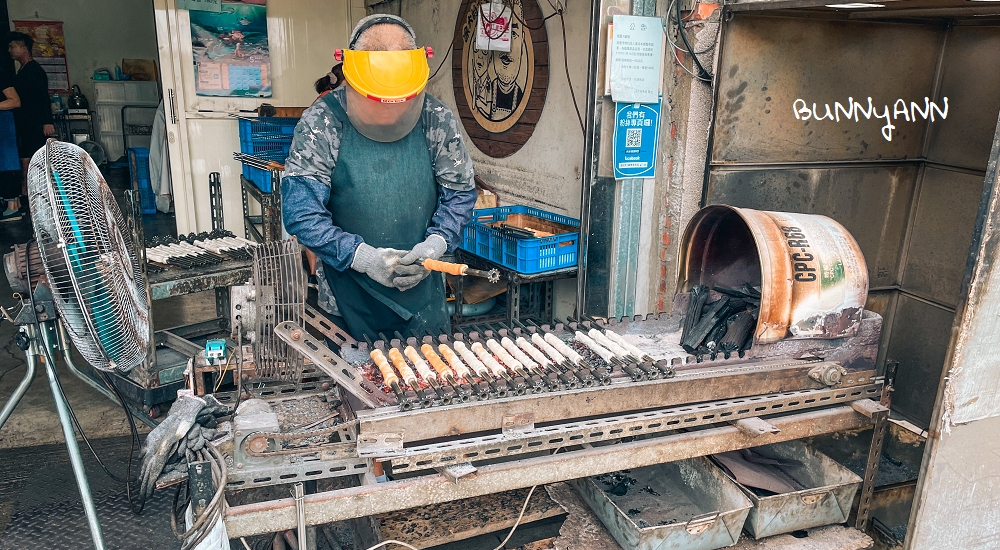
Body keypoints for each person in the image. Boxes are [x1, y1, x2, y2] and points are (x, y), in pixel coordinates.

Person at [282, 15, 477, 340]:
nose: (390, 115)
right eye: (376, 104)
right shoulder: (322, 122)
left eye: (402, 102)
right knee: (351, 385)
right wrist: (362, 257)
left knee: (430, 385)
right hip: (346, 304)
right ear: (351, 76)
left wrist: (437, 243)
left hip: (423, 302)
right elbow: (301, 213)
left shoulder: (437, 120)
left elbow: (460, 193)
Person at [7, 32, 55, 216]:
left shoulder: (34, 71)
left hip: (35, 124)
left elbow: (43, 98)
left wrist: (47, 122)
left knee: (33, 162)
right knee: (25, 161)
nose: (10, 51)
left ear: (24, 48)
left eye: (13, 47)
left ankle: (37, 199)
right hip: (24, 124)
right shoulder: (22, 71)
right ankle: (29, 198)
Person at [0, 65, 22, 221]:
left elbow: (15, 101)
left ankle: (13, 207)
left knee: (7, 162)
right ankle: (15, 204)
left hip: (5, 125)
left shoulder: (1, 75)